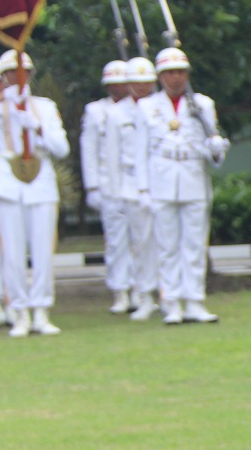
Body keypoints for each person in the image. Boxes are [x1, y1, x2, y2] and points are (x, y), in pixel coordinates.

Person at [140, 47, 228, 324]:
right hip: (162, 178)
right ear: (160, 76)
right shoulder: (147, 106)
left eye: (180, 72)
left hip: (192, 177)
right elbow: (140, 151)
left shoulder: (202, 104)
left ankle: (194, 301)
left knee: (194, 243)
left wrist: (216, 147)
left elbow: (213, 153)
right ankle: (171, 302)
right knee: (167, 245)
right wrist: (143, 189)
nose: (175, 78)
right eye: (169, 73)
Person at [0, 49, 70, 336]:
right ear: (2, 77)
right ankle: (19, 313)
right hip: (8, 186)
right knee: (13, 254)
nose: (17, 78)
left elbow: (61, 149)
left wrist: (36, 127)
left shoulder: (45, 107)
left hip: (40, 184)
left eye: (22, 72)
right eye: (10, 73)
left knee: (42, 253)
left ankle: (41, 310)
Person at [81, 59, 151, 313]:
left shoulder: (146, 108)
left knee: (142, 240)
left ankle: (139, 289)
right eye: (113, 85)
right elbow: (90, 150)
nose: (118, 89)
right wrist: (93, 187)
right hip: (110, 183)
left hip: (140, 183)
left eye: (122, 84)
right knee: (116, 241)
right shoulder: (97, 111)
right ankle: (120, 291)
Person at [123, 57, 163, 321]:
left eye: (147, 81)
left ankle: (169, 294)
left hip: (163, 180)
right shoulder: (117, 112)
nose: (142, 86)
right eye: (137, 82)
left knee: (168, 243)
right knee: (142, 244)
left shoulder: (160, 108)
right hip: (132, 184)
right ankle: (145, 295)